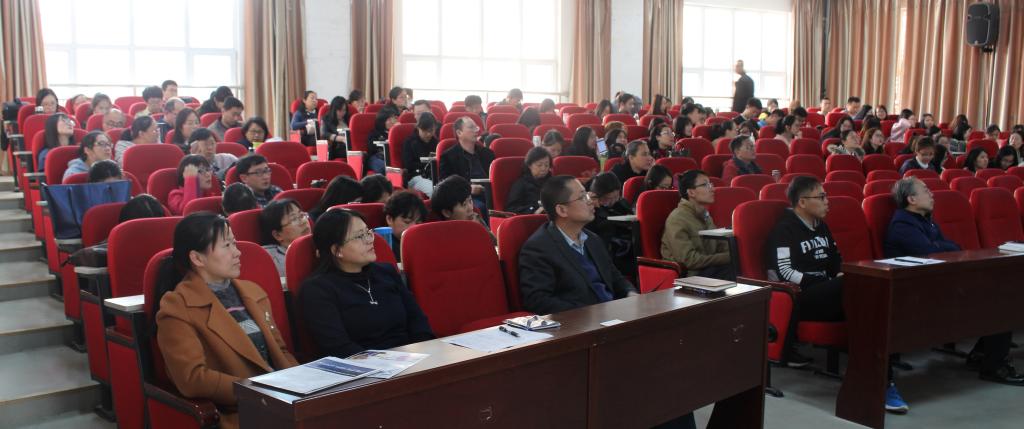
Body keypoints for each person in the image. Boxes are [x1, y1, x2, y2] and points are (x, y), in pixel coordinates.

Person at [153, 213, 297, 428]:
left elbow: (280, 351)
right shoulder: (178, 307)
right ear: (197, 258)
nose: (237, 252)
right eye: (227, 245)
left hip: (284, 400)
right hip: (240, 412)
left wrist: (304, 386)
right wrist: (259, 390)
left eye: (234, 243)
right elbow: (192, 378)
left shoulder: (253, 292)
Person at [885, 178, 1024, 388]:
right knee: (1000, 299)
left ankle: (982, 355)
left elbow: (953, 247)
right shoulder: (902, 224)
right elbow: (931, 251)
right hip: (916, 292)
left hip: (937, 281)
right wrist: (941, 246)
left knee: (1003, 293)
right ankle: (995, 366)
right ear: (911, 199)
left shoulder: (926, 221)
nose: (932, 194)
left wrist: (941, 246)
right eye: (926, 191)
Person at [299, 208, 434, 358]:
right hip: (365, 366)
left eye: (368, 232)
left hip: (413, 358)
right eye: (359, 236)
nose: (370, 240)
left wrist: (425, 353)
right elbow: (339, 347)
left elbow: (418, 321)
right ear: (337, 250)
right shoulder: (318, 289)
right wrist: (390, 362)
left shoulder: (386, 272)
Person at [518, 174, 639, 313]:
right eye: (582, 197)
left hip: (613, 314)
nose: (591, 202)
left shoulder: (592, 239)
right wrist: (588, 314)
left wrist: (630, 293)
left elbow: (614, 276)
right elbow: (538, 300)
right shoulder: (538, 248)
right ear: (562, 210)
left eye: (587, 195)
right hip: (582, 321)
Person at [764, 176, 842, 369]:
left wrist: (838, 274)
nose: (827, 201)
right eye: (821, 197)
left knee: (862, 282)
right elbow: (785, 271)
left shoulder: (821, 225)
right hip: (800, 296)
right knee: (851, 285)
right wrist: (824, 282)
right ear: (802, 202)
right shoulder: (784, 230)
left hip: (825, 290)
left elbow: (834, 259)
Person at [661, 170, 733, 280]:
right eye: (705, 185)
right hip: (690, 277)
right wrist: (729, 257)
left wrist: (735, 252)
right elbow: (690, 260)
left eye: (711, 184)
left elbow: (721, 245)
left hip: (709, 270)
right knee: (734, 271)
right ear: (691, 192)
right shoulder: (676, 219)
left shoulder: (706, 216)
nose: (712, 189)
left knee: (740, 267)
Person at [439, 117, 495, 214]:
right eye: (471, 127)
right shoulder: (448, 156)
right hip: (466, 197)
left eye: (476, 127)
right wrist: (468, 188)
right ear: (459, 133)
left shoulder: (488, 153)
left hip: (491, 194)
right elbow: (446, 185)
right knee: (480, 208)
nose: (476, 130)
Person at [586, 172, 635, 276]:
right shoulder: (590, 209)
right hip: (607, 253)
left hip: (626, 249)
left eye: (616, 196)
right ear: (597, 196)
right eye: (608, 198)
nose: (613, 201)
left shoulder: (621, 203)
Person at [258, 199, 310, 277]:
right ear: (277, 235)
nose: (303, 222)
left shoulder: (317, 241)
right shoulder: (273, 260)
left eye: (301, 216)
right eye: (294, 219)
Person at [381, 191, 427, 261]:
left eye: (418, 223)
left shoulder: (424, 242)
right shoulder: (384, 246)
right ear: (389, 219)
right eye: (407, 222)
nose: (413, 227)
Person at [506, 147, 552, 214]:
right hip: (532, 218)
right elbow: (511, 209)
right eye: (539, 165)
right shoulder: (521, 184)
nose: (543, 168)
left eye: (546, 165)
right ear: (529, 165)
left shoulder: (553, 182)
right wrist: (534, 211)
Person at [401, 113, 439, 196]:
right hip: (416, 176)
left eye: (431, 131)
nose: (429, 134)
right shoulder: (409, 142)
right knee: (435, 190)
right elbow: (408, 165)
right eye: (425, 131)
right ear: (418, 128)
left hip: (433, 175)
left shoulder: (436, 142)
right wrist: (427, 163)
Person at [364, 106, 400, 175]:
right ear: (382, 121)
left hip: (393, 157)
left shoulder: (398, 133)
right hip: (377, 157)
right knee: (384, 168)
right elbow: (371, 147)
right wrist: (387, 141)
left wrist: (397, 130)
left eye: (394, 119)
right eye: (389, 120)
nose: (392, 122)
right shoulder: (375, 133)